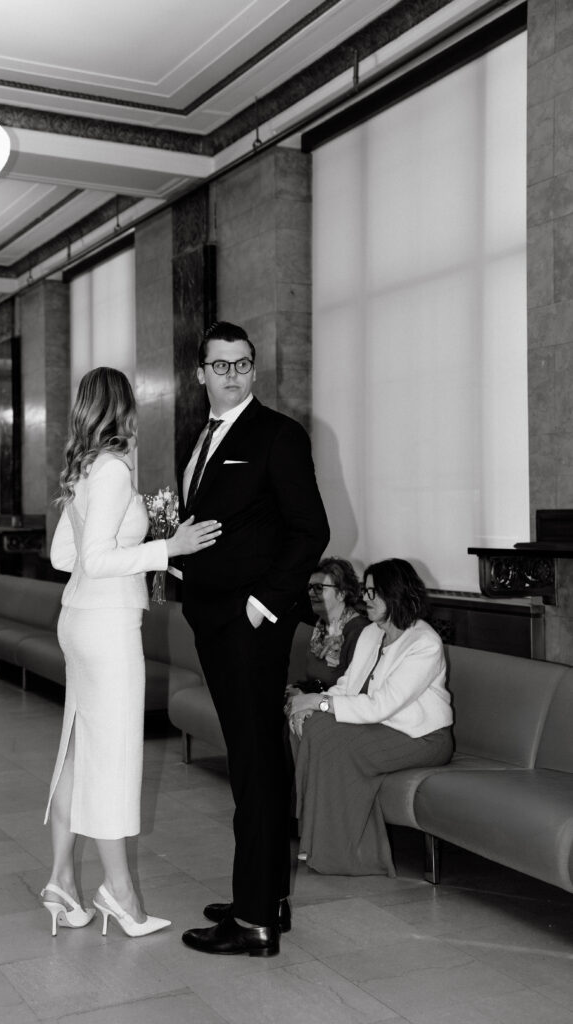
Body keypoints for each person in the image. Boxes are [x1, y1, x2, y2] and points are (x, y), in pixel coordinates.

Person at [41, 367, 221, 938]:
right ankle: (119, 894)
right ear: (124, 407)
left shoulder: (83, 468)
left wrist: (138, 553)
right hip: (108, 626)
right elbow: (92, 558)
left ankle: (61, 881)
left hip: (77, 619)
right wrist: (167, 547)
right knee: (113, 758)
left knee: (77, 749)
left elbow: (61, 557)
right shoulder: (114, 468)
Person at [176, 321, 330, 957]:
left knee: (255, 765)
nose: (233, 374)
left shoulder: (277, 434)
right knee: (258, 758)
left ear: (253, 369)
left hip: (248, 628)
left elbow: (309, 530)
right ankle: (265, 897)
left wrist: (262, 605)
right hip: (213, 620)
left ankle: (253, 920)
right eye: (221, 365)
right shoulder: (205, 436)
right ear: (200, 373)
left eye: (242, 364)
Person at [288, 558, 453, 877]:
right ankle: (312, 839)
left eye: (373, 592)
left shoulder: (424, 642)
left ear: (395, 594)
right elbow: (349, 685)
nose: (365, 598)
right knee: (309, 725)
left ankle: (352, 855)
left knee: (331, 738)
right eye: (365, 590)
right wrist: (310, 706)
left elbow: (382, 705)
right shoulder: (371, 634)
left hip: (422, 738)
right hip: (383, 728)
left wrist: (319, 703)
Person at [288, 557, 367, 696]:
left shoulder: (359, 630)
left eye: (319, 588)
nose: (311, 593)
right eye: (310, 587)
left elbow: (355, 690)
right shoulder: (320, 626)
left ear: (342, 593)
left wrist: (308, 698)